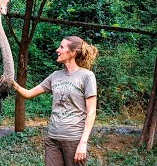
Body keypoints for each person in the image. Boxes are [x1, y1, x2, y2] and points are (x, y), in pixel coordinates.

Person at [13, 36, 98, 166]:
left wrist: (83, 143)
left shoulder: (86, 76)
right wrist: (13, 84)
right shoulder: (55, 76)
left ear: (73, 53)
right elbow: (29, 94)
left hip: (74, 139)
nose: (57, 50)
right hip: (53, 138)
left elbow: (91, 112)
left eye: (62, 47)